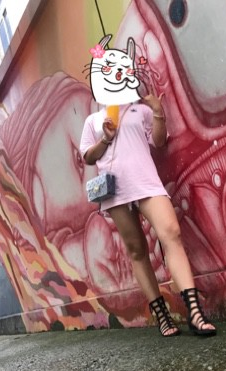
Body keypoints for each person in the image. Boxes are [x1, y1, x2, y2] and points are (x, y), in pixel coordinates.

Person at [79, 93, 217, 337]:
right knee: (137, 250)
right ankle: (162, 315)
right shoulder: (93, 120)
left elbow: (159, 141)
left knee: (171, 232)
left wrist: (157, 110)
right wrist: (106, 138)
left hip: (145, 182)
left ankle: (195, 313)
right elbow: (88, 157)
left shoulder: (140, 110)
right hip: (115, 190)